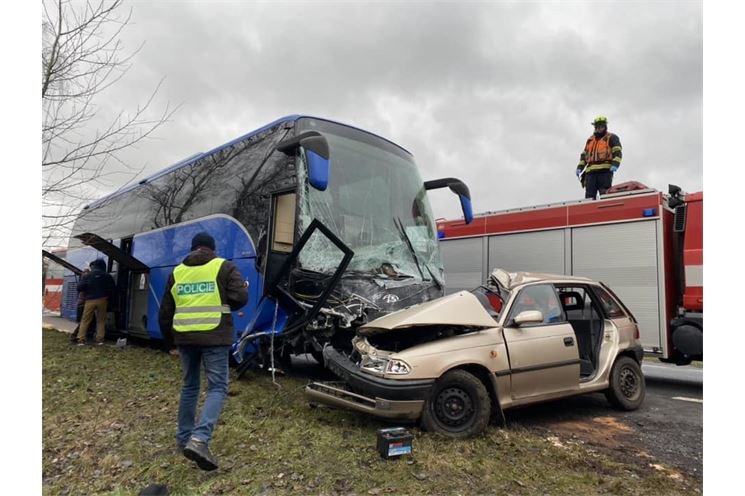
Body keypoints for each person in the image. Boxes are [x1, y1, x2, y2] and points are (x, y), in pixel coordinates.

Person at [159, 232, 248, 471]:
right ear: (212, 248)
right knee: (218, 387)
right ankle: (199, 440)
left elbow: (166, 311)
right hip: (214, 336)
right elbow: (240, 297)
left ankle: (183, 439)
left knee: (190, 386)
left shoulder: (178, 271)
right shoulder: (224, 267)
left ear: (193, 248)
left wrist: (170, 343)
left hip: (185, 338)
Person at [576, 116, 623, 199]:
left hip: (605, 172)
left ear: (605, 127)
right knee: (589, 196)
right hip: (590, 173)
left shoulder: (611, 137)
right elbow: (584, 156)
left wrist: (615, 164)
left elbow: (617, 152)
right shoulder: (590, 140)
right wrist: (580, 167)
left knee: (605, 194)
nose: (598, 129)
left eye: (601, 127)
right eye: (597, 127)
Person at [76, 259, 115, 346]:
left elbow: (79, 288)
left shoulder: (88, 275)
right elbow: (113, 289)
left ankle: (81, 339)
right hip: (103, 300)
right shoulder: (107, 275)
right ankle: (100, 340)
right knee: (101, 320)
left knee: (85, 320)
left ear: (94, 266)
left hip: (90, 300)